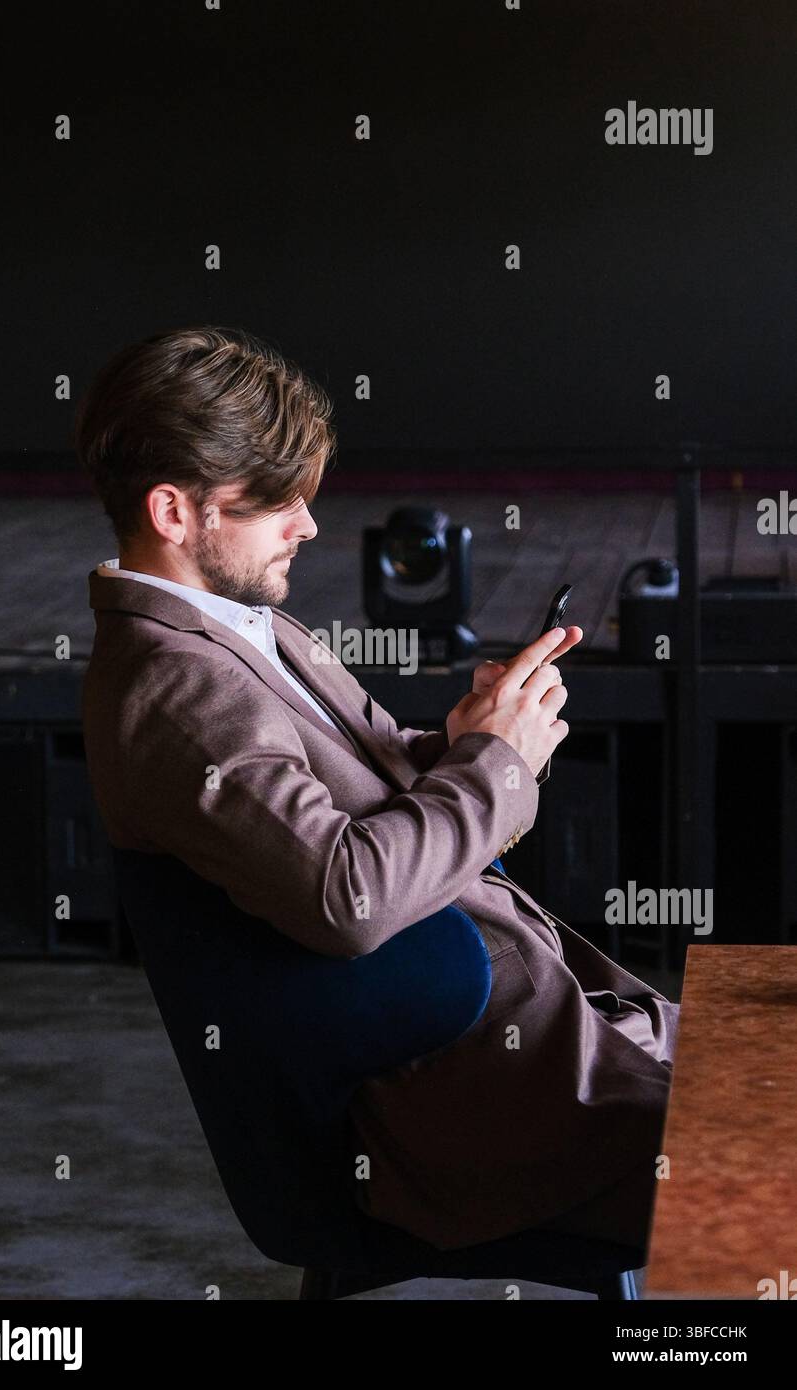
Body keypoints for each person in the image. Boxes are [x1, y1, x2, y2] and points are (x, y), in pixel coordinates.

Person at [76, 324, 679, 1256]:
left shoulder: (241, 629)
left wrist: (478, 734)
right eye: (277, 502)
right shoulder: (178, 691)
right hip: (487, 1112)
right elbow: (346, 894)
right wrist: (495, 767)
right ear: (173, 512)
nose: (308, 525)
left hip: (545, 1040)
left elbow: (382, 768)